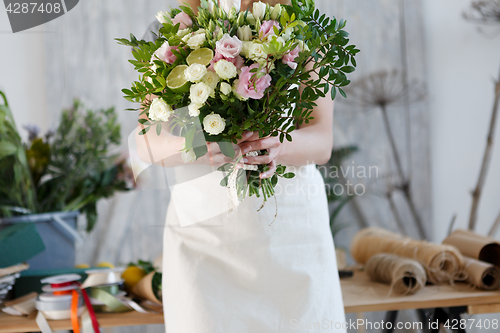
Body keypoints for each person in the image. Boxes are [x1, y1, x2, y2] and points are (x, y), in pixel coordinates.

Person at [137, 0, 347, 331]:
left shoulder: (306, 26)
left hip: (293, 243)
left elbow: (322, 141)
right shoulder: (174, 26)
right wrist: (195, 148)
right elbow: (145, 140)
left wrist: (279, 145)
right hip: (203, 246)